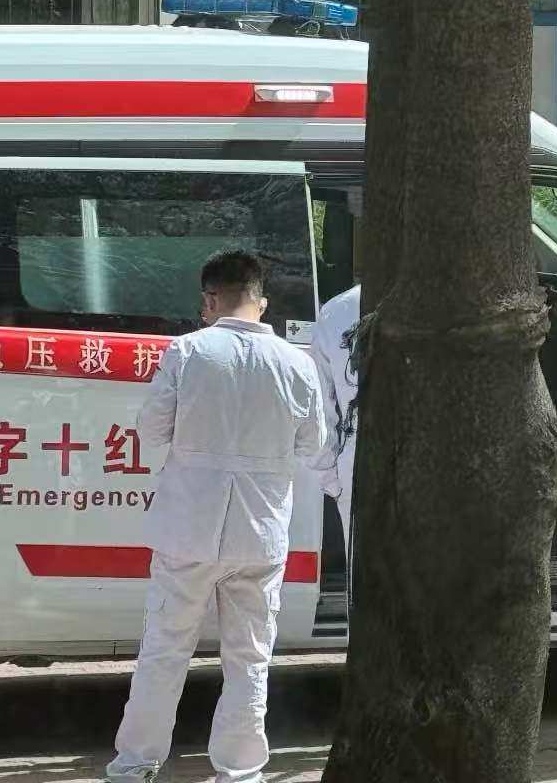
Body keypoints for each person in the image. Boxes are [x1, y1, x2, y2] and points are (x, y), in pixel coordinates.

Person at [107, 250, 328, 783]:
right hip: (260, 533)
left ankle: (136, 764)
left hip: (187, 528)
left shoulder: (186, 352)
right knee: (249, 658)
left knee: (165, 650)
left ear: (209, 300)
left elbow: (151, 431)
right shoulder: (297, 363)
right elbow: (314, 444)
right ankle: (242, 770)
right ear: (261, 301)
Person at [311, 283, 361, 551]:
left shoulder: (338, 309)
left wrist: (332, 478)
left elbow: (318, 410)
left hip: (357, 469)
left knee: (365, 570)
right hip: (356, 470)